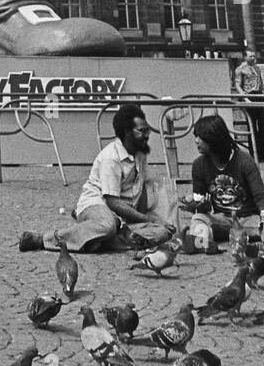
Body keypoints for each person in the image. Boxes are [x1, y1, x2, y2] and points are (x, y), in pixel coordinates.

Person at [55, 103, 177, 253]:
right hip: (97, 206)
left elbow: (142, 188)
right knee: (108, 225)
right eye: (142, 131)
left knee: (163, 233)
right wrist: (148, 220)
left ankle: (95, 240)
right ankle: (49, 239)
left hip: (122, 219)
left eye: (147, 130)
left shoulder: (140, 153)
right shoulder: (111, 157)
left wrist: (148, 219)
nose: (146, 135)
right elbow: (112, 202)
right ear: (127, 132)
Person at [190, 114, 264, 240]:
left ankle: (222, 235)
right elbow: (200, 203)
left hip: (248, 219)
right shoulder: (198, 165)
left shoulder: (244, 161)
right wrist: (200, 206)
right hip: (222, 219)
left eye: (200, 137)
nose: (196, 140)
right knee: (197, 220)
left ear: (213, 138)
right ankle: (240, 236)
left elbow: (261, 196)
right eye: (195, 136)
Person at [233, 48, 264, 161]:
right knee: (252, 125)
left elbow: (261, 82)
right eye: (250, 56)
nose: (253, 58)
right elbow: (238, 85)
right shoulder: (240, 69)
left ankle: (263, 153)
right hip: (249, 95)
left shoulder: (257, 68)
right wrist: (245, 98)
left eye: (254, 56)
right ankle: (254, 153)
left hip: (259, 95)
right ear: (245, 57)